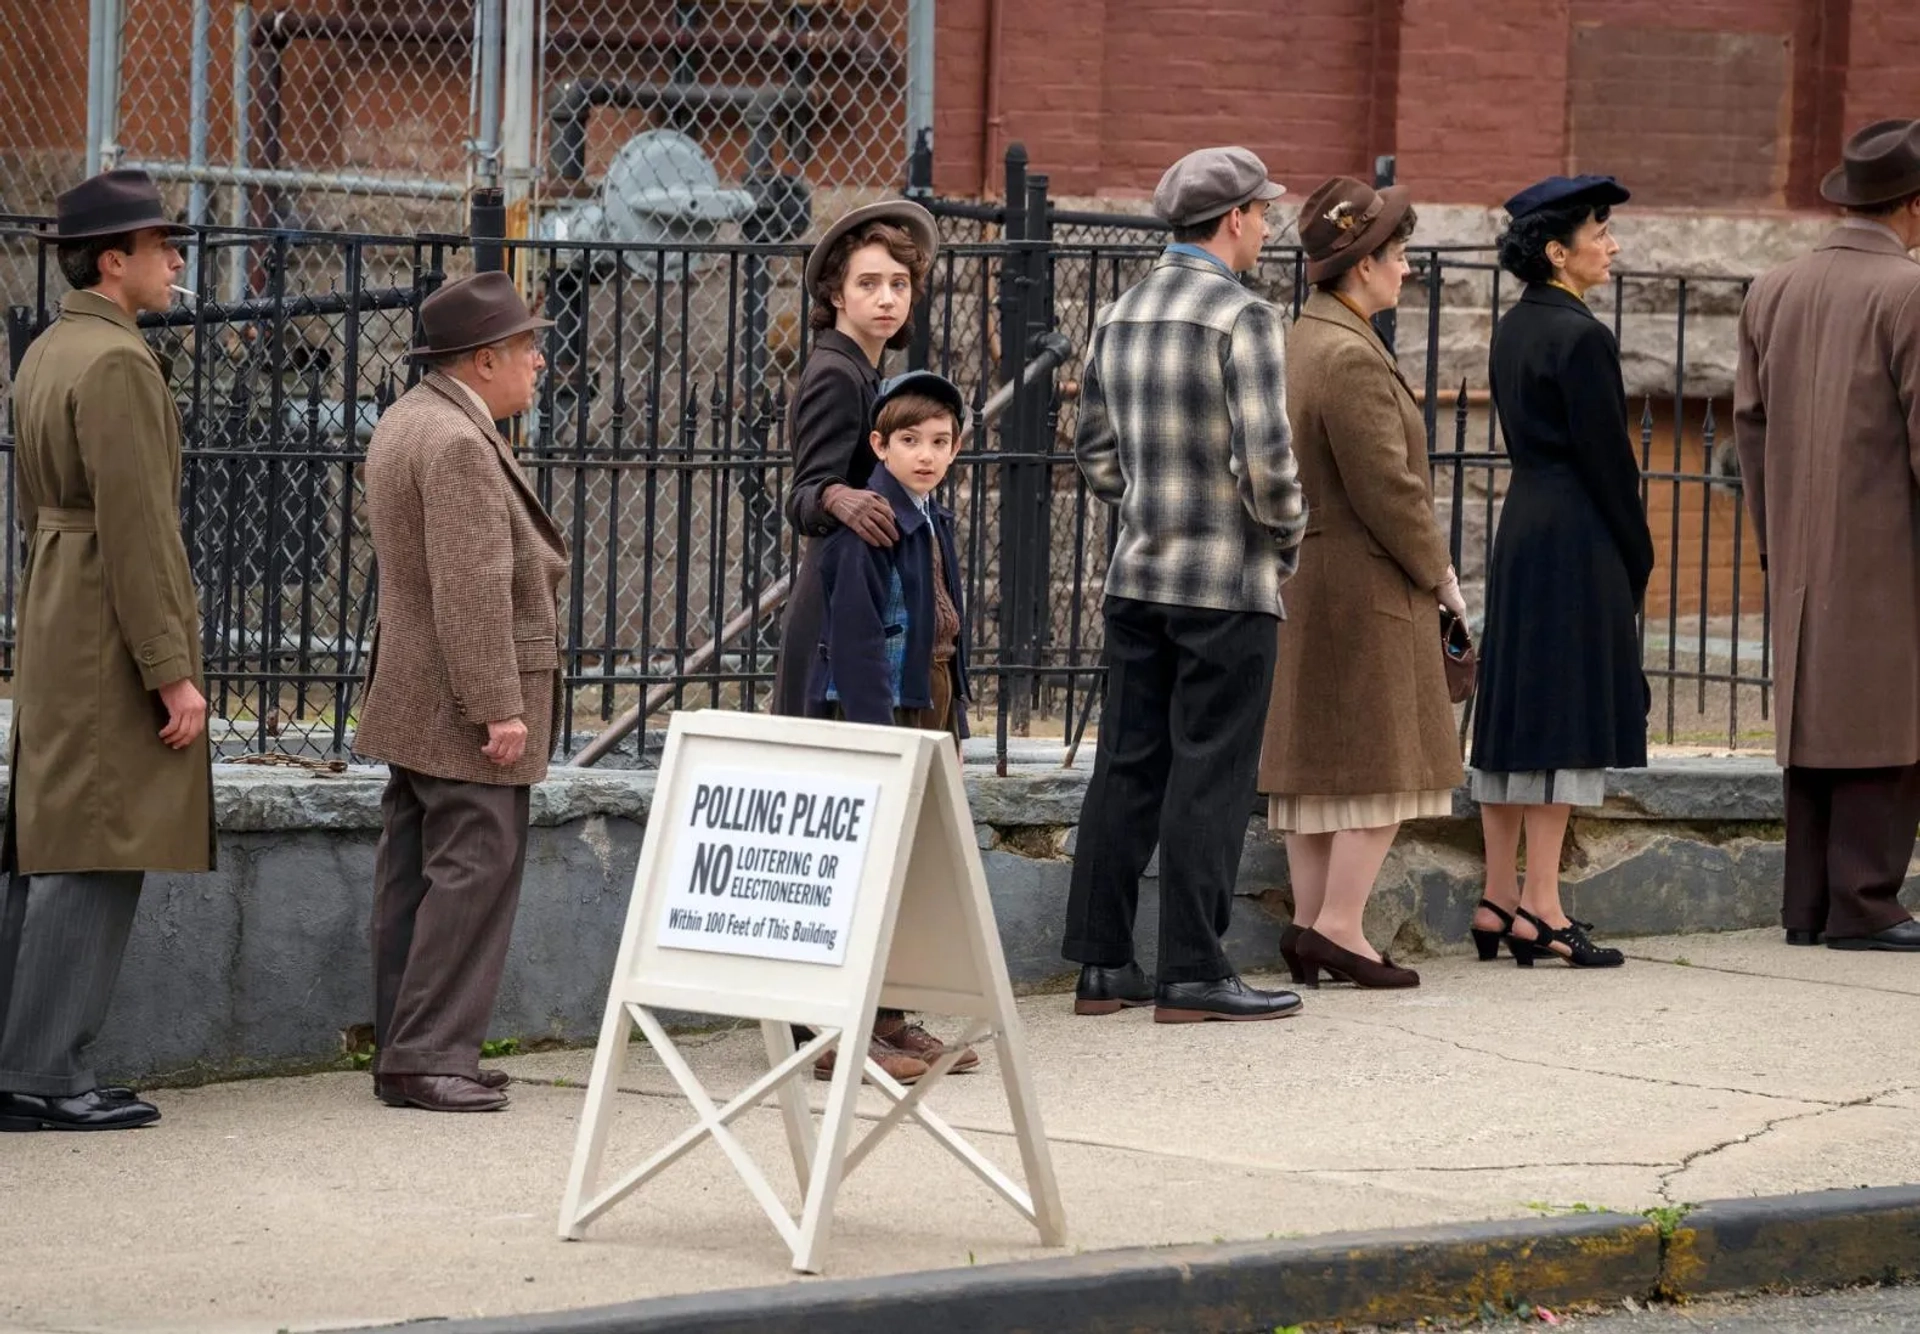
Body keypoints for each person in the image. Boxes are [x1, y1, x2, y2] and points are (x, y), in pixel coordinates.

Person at [1062, 146, 1308, 1023]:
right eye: (1263, 213)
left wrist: (1148, 503)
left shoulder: (1119, 313)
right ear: (1234, 218)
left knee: (1127, 767)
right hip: (1226, 583)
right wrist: (1286, 535)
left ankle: (1102, 965)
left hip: (1138, 574)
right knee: (1212, 775)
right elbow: (1267, 463)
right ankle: (1194, 972)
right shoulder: (1244, 317)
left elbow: (1092, 452)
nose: (1269, 227)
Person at [0, 169, 211, 1133]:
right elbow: (137, 529)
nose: (176, 261)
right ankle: (46, 1073)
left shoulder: (51, 349)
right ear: (112, 261)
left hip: (57, 609)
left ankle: (26, 1064)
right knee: (93, 844)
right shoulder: (118, 363)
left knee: (49, 842)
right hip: (102, 628)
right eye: (160, 245)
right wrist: (172, 672)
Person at [355, 271, 569, 1113]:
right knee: (474, 869)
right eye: (526, 349)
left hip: (414, 690)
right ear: (484, 360)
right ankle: (430, 1056)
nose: (538, 362)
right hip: (460, 701)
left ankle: (407, 1047)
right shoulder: (455, 443)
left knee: (414, 873)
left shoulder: (411, 420)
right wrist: (499, 705)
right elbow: (473, 584)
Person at [772, 200, 964, 1082]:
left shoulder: (876, 371)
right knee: (851, 822)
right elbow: (805, 492)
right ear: (833, 292)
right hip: (845, 626)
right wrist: (841, 498)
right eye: (868, 284)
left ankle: (883, 1013)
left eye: (899, 283)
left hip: (888, 611)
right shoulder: (834, 374)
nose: (887, 298)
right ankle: (833, 1029)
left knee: (889, 827)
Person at [1257, 176, 1465, 991]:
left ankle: (1311, 931)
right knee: (1384, 765)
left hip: (1312, 579)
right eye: (1400, 254)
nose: (1407, 269)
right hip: (1362, 584)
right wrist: (1439, 575)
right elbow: (1390, 489)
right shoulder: (1348, 355)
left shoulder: (1303, 337)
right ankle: (1342, 928)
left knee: (1313, 768)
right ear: (1365, 265)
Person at [1734, 118, 1920, 953]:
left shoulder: (1773, 286)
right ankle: (1866, 903)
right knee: (1886, 721)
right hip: (1890, 546)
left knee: (1814, 720)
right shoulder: (1910, 291)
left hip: (1801, 545)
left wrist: (1775, 539)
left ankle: (1807, 905)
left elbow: (1748, 427)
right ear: (1913, 206)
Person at [1468, 175, 1652, 969]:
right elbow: (1608, 460)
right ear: (1557, 251)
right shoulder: (1581, 336)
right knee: (1564, 712)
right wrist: (1636, 549)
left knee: (1513, 708)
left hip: (1524, 526)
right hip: (1576, 532)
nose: (1611, 244)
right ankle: (1542, 906)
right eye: (1599, 231)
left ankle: (1497, 898)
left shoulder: (1514, 328)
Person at [806, 370, 979, 1079]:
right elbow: (856, 642)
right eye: (910, 441)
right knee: (870, 867)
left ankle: (891, 1019)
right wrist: (880, 742)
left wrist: (957, 726)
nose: (926, 454)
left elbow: (951, 629)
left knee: (908, 868)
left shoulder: (931, 515)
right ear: (879, 443)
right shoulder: (871, 523)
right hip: (883, 711)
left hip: (928, 699)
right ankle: (847, 1034)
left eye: (940, 441)